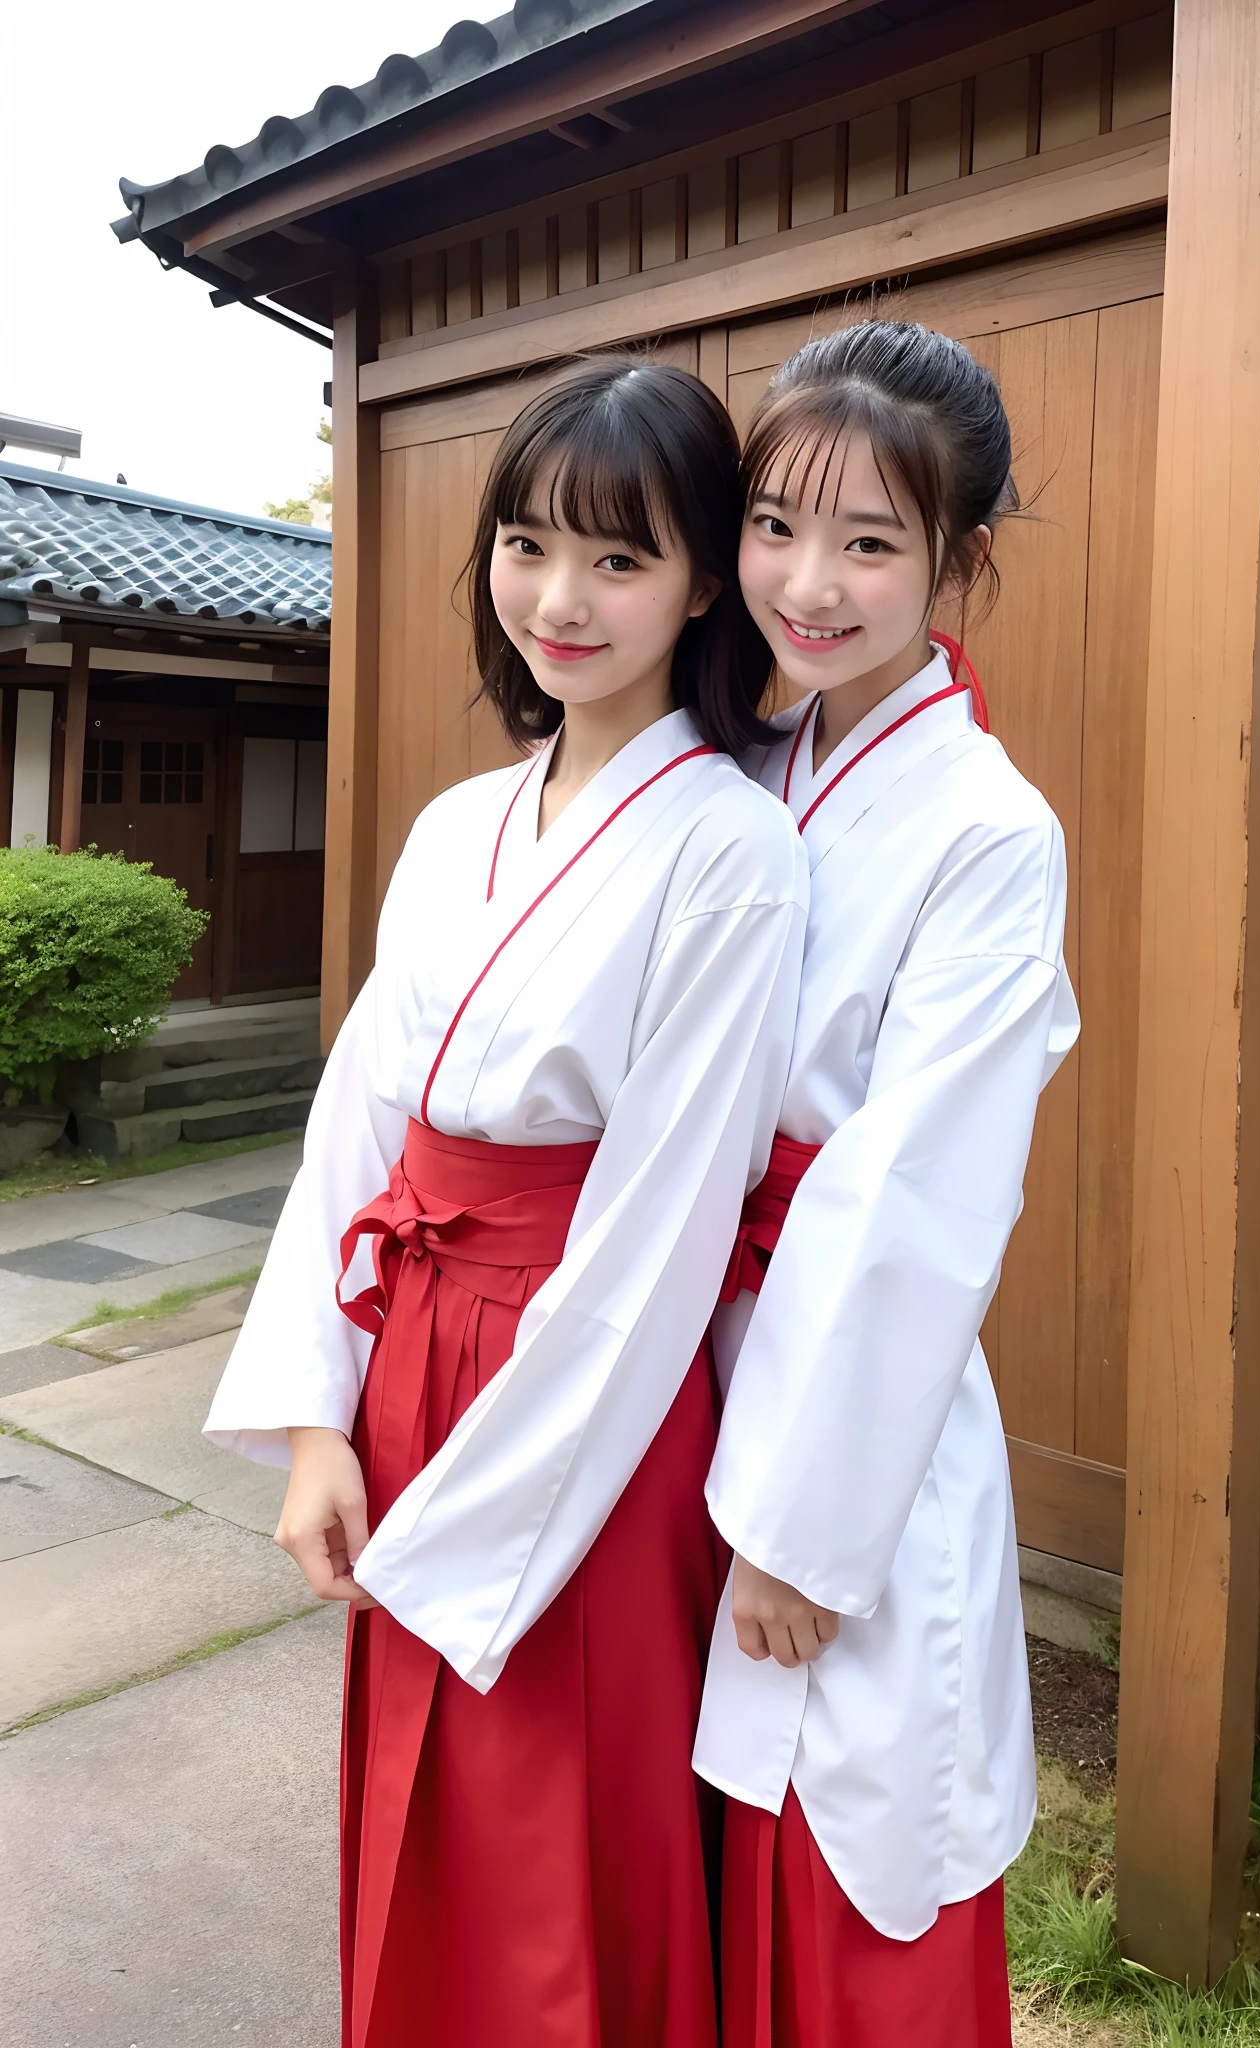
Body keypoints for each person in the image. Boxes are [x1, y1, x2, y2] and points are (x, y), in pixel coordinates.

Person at [204, 359, 808, 2048]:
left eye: (621, 560)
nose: (562, 599)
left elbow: (664, 1232)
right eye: (530, 544)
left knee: (562, 1835)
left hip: (582, 1409)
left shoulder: (730, 850)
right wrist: (320, 1418)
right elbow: (360, 1130)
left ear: (703, 583)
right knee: (420, 1815)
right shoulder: (462, 820)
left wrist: (475, 1524)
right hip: (414, 1349)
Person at [692, 321, 1080, 2047]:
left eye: (871, 541)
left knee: (845, 1831)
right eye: (778, 524)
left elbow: (917, 1198)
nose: (810, 582)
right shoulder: (753, 765)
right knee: (697, 1841)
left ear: (956, 557)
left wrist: (800, 1532)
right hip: (688, 1355)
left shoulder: (989, 827)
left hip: (846, 1403)